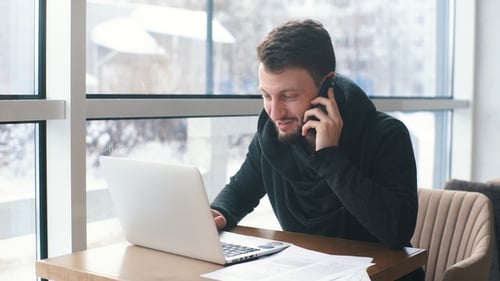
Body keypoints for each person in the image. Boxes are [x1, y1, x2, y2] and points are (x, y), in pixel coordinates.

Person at [210, 19, 423, 281]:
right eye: (266, 95)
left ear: (327, 85)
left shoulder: (386, 135)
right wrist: (218, 213)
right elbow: (241, 191)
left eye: (288, 96)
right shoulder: (273, 134)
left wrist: (329, 158)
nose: (275, 112)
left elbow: (396, 232)